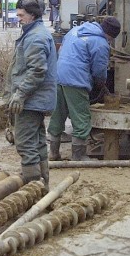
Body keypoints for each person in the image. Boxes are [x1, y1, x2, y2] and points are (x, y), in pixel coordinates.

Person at [47, 16, 122, 161]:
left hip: (58, 76)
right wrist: (100, 85)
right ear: (111, 36)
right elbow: (99, 71)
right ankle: (79, 155)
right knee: (81, 118)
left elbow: (61, 50)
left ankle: (53, 153)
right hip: (76, 81)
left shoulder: (76, 30)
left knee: (58, 114)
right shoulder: (100, 43)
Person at [4, 0, 57, 189]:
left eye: (21, 15)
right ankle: (43, 187)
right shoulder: (35, 33)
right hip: (37, 100)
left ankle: (32, 190)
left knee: (26, 145)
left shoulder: (35, 37)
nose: (18, 19)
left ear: (32, 15)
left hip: (31, 101)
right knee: (38, 143)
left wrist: (19, 94)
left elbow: (37, 71)